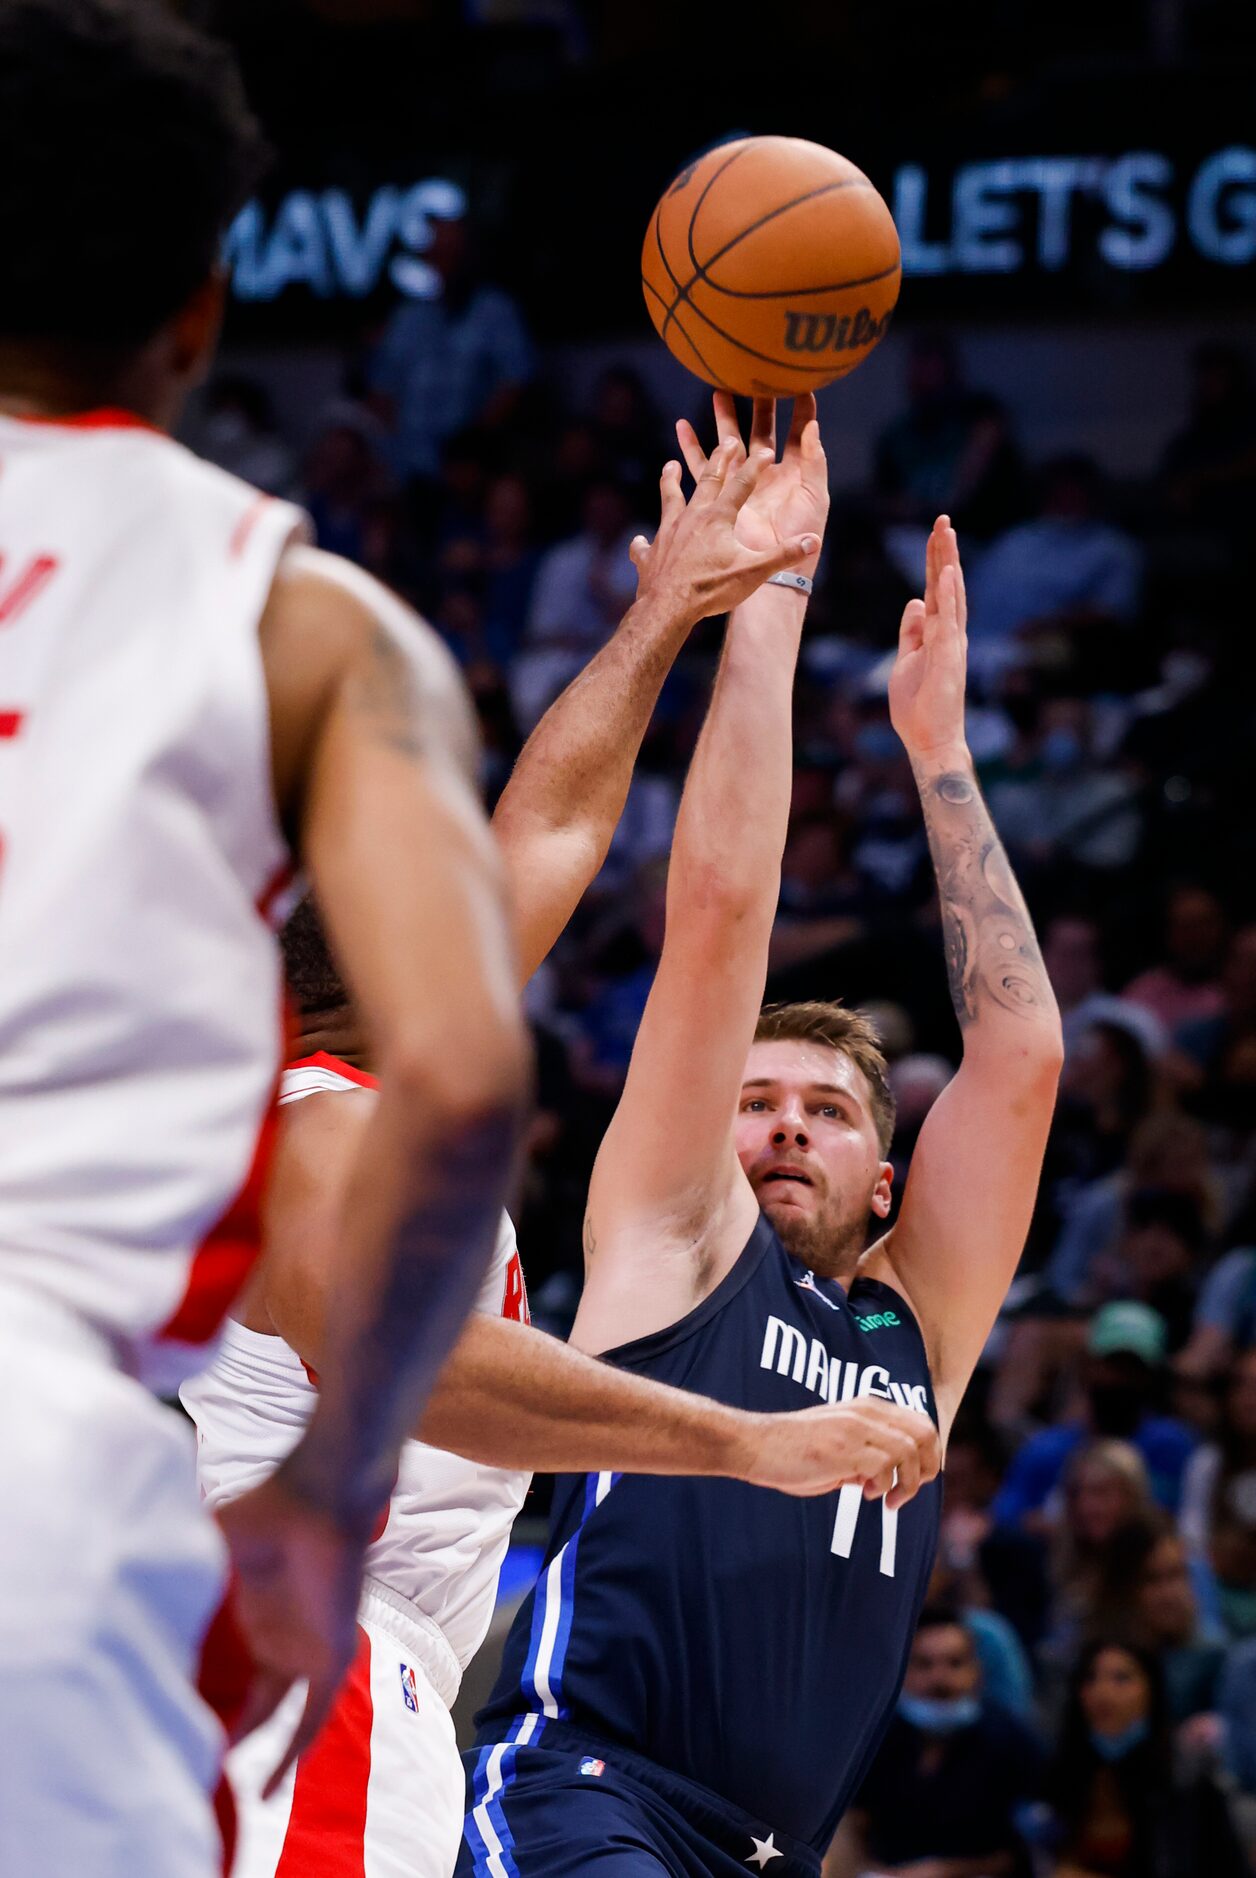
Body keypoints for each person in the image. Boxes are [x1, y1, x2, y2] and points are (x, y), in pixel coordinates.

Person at [0, 2, 533, 1870]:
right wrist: (330, 1475)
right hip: (60, 1451)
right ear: (207, 301)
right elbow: (462, 1077)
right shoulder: (309, 626)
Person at [187, 469, 871, 1878]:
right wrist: (745, 1439)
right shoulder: (321, 1131)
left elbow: (551, 828)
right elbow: (421, 1364)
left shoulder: (337, 1078)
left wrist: (674, 606)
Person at [460, 399, 1063, 1878]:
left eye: (830, 1110)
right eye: (758, 1098)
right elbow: (724, 904)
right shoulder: (677, 1233)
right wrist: (775, 596)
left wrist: (938, 750)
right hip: (586, 1791)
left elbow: (1023, 1051)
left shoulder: (916, 1321)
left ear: (887, 1175)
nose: (785, 1122)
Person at [829, 1606, 1043, 1878]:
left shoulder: (1010, 1741)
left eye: (954, 1663)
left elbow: (1030, 1845)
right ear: (902, 1671)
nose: (939, 1679)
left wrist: (943, 1871)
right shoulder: (872, 1739)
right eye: (924, 1664)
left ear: (976, 1672)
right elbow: (851, 1824)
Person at [1047, 1639, 1248, 1877]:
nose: (1103, 1692)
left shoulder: (1186, 1776)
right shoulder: (1064, 1768)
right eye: (1090, 1678)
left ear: (1152, 1689)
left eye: (1121, 1678)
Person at [991, 1304, 1197, 1527]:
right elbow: (1003, 1518)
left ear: (1151, 1376)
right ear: (1086, 1367)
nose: (1120, 1379)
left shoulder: (1174, 1447)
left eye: (1132, 1369)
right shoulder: (1047, 1450)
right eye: (1111, 1366)